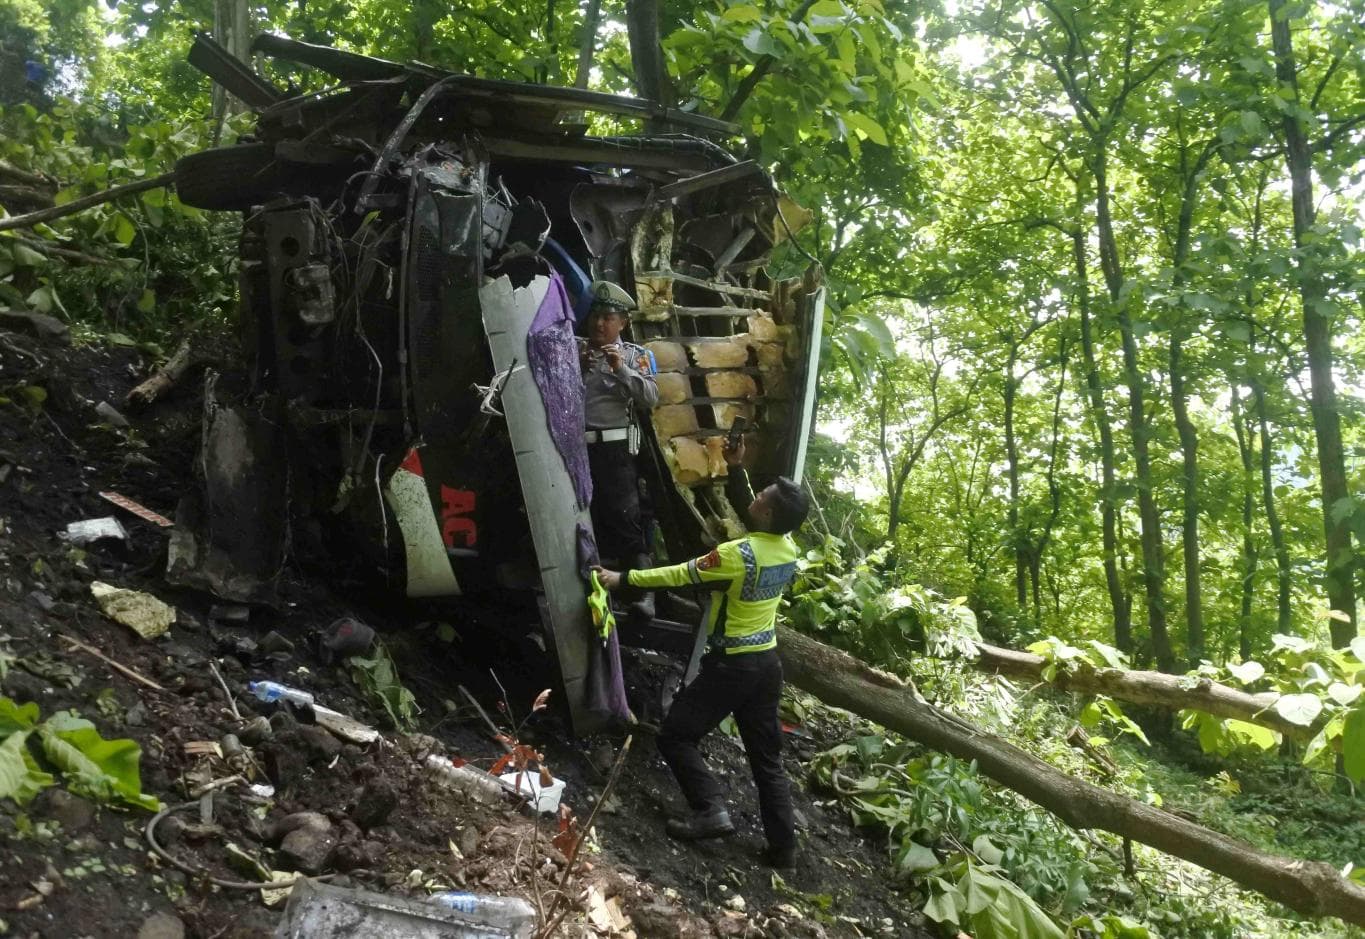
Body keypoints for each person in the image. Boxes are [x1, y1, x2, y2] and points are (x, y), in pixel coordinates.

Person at [594, 439, 810, 868]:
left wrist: (623, 580)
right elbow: (758, 513)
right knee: (766, 759)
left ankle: (710, 810)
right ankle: (784, 847)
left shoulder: (736, 556)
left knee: (677, 734)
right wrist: (737, 470)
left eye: (762, 497)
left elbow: (679, 573)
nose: (757, 497)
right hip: (767, 664)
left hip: (733, 666)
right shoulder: (786, 549)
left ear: (767, 512)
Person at [581, 280, 659, 617]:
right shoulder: (572, 349)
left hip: (613, 451)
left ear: (623, 323)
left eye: (609, 317)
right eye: (596, 316)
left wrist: (620, 369)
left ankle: (643, 594)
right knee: (583, 520)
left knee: (626, 519)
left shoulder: (636, 356)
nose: (600, 323)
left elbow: (651, 398)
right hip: (571, 447)